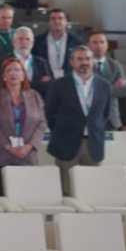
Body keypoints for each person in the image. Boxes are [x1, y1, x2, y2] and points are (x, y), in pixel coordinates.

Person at [46, 45, 112, 192]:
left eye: (88, 58)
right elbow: (49, 113)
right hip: (66, 143)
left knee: (92, 190)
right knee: (67, 190)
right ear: (72, 62)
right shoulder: (58, 85)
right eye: (80, 59)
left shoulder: (104, 86)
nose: (84, 62)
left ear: (93, 61)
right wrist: (62, 131)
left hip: (93, 144)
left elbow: (105, 114)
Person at [0, 56, 48, 192]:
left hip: (26, 156)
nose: (13, 74)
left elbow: (42, 124)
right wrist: (8, 147)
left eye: (17, 70)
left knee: (26, 196)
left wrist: (29, 146)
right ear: (4, 76)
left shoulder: (35, 96)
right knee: (0, 198)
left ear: (23, 75)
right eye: (9, 70)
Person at [87, 31, 126, 129]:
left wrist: (99, 89)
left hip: (112, 119)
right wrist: (113, 87)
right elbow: (87, 90)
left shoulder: (115, 65)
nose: (99, 46)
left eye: (102, 42)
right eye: (95, 42)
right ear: (88, 45)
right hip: (90, 118)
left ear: (107, 45)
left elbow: (124, 91)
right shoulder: (83, 65)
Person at [34, 9, 84, 79]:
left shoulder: (76, 42)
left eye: (60, 18)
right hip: (46, 81)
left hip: (70, 81)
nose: (57, 21)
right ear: (48, 22)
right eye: (53, 19)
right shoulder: (38, 41)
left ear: (66, 22)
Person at [10, 26, 52, 96]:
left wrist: (19, 84)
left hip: (36, 101)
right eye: (20, 39)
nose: (24, 42)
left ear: (32, 43)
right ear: (13, 42)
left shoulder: (41, 62)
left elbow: (48, 86)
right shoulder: (4, 61)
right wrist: (38, 84)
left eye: (27, 39)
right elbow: (5, 85)